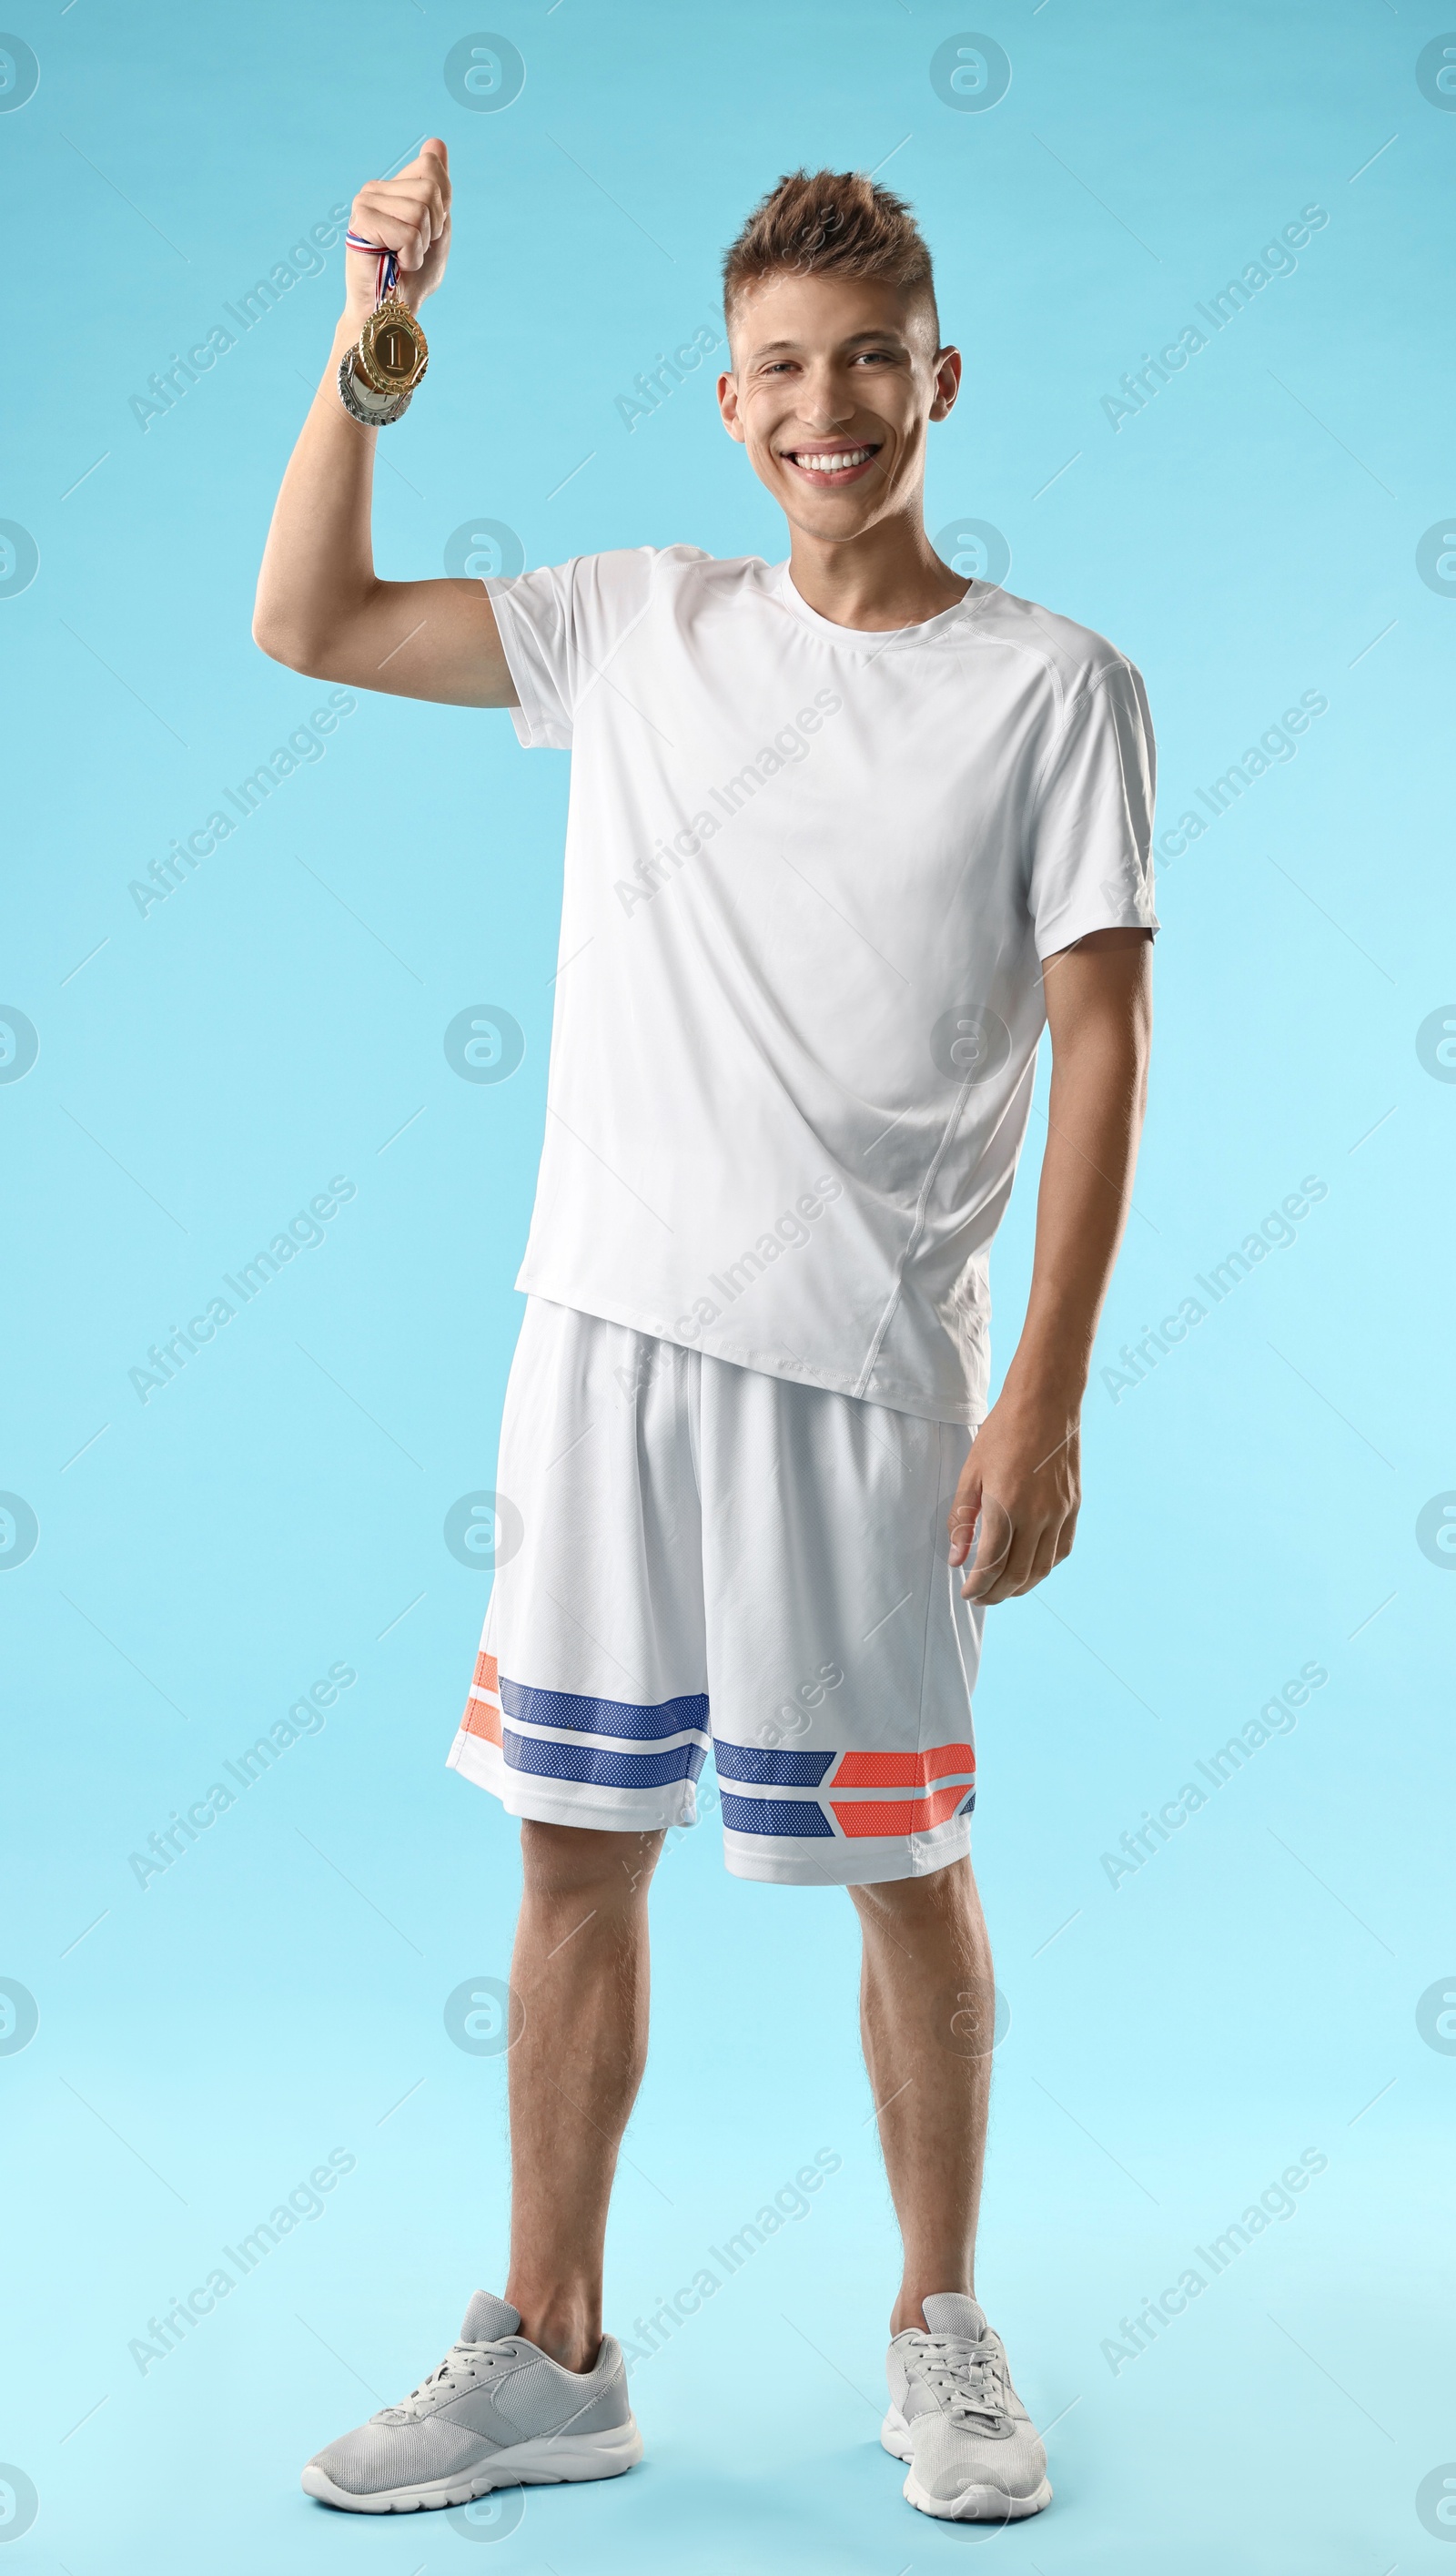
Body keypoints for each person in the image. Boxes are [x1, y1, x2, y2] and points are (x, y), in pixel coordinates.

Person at [254, 142, 1156, 2529]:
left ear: (937, 377)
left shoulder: (1058, 691)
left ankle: (939, 2328)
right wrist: (373, 333)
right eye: (780, 369)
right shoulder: (636, 627)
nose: (826, 407)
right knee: (571, 1855)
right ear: (730, 401)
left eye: (869, 362)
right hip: (606, 1349)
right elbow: (310, 618)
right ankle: (550, 2351)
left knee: (906, 1868)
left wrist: (1046, 1389)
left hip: (871, 1380)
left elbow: (1105, 1048)